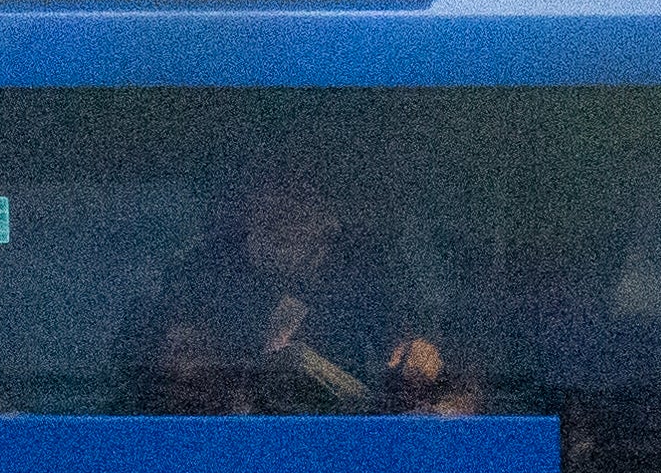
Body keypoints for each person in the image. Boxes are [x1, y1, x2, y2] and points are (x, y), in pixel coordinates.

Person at [116, 166, 453, 411]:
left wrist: (421, 358)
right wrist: (190, 361)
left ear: (328, 219)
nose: (282, 214)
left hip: (346, 446)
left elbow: (426, 355)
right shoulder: (204, 274)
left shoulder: (374, 276)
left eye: (298, 200)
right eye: (268, 202)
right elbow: (156, 354)